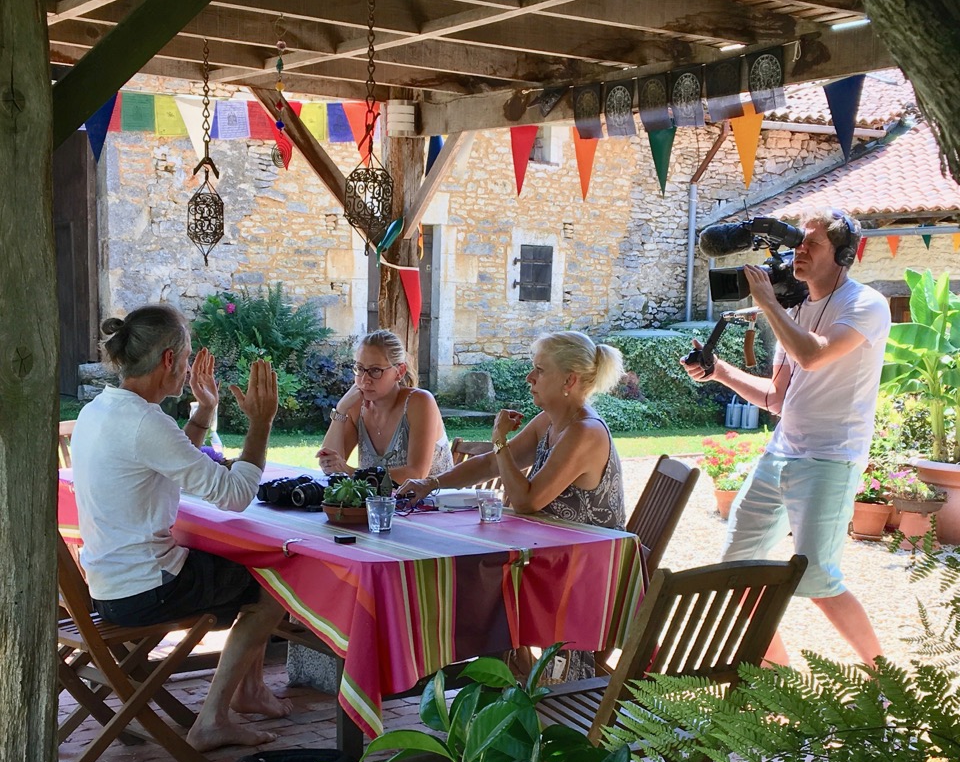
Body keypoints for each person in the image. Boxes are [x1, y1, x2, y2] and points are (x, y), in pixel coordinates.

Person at [70, 303, 289, 753]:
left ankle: (246, 691)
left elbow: (169, 461)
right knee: (272, 588)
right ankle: (213, 719)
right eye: (186, 358)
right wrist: (261, 424)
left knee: (237, 567)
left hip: (107, 585)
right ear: (168, 360)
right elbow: (234, 495)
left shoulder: (101, 410)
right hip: (143, 591)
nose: (188, 368)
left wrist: (205, 410)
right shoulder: (144, 422)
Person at [682, 207, 891, 667]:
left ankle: (887, 686)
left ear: (843, 254)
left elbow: (814, 356)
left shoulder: (865, 305)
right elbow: (777, 398)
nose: (800, 251)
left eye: (811, 244)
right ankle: (780, 681)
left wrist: (770, 304)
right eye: (799, 243)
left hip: (830, 459)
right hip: (781, 453)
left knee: (816, 578)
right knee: (734, 572)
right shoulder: (795, 309)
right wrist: (718, 371)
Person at [398, 331, 626, 529]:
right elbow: (489, 465)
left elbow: (525, 502)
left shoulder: (585, 432)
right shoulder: (548, 421)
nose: (530, 378)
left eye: (540, 370)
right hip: (552, 545)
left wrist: (499, 439)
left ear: (569, 381)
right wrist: (430, 483)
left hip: (592, 555)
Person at [316, 329, 453, 482]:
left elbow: (416, 473)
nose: (365, 380)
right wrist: (341, 409)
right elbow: (330, 464)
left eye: (375, 370)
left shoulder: (419, 402)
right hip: (381, 504)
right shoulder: (355, 406)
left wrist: (351, 473)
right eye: (360, 369)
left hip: (438, 503)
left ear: (399, 372)